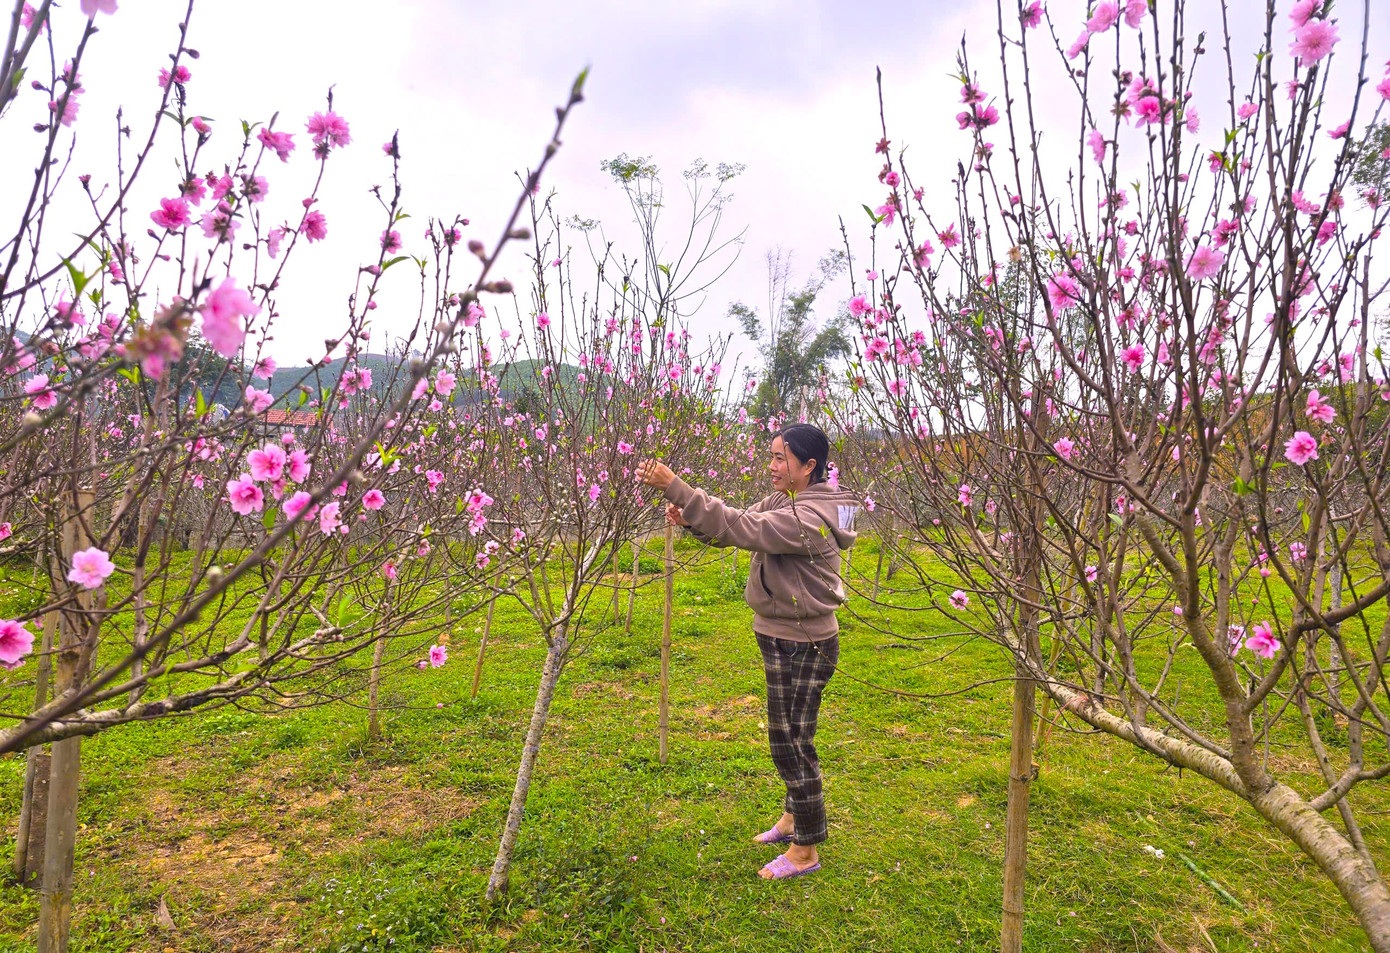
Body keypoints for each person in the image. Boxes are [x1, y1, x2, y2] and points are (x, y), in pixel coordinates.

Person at [635, 423, 860, 880]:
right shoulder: (787, 501)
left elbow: (747, 526)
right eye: (771, 455)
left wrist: (677, 486)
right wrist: (693, 520)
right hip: (783, 635)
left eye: (781, 458)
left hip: (804, 642)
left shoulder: (814, 517)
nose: (772, 466)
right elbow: (736, 527)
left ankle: (806, 848)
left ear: (809, 466)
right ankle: (795, 815)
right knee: (793, 734)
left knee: (790, 742)